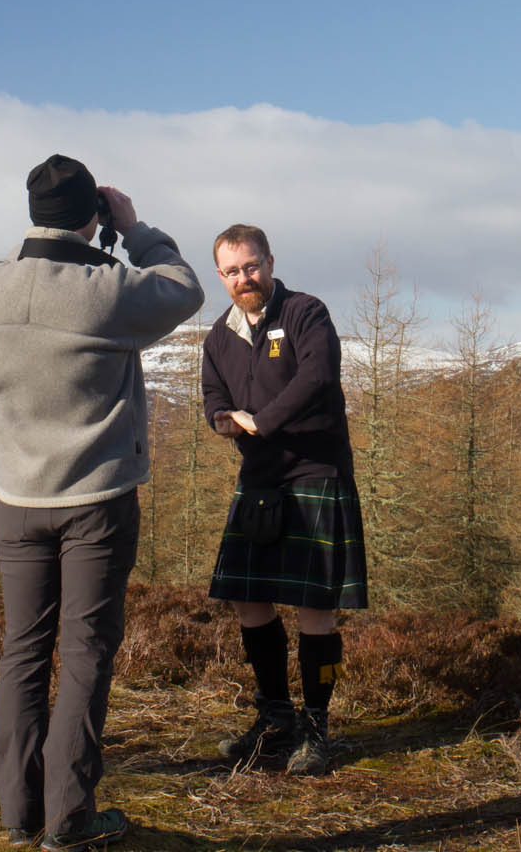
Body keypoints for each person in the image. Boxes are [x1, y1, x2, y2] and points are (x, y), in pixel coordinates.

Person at [0, 154, 203, 851]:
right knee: (86, 653)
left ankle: (17, 813)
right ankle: (69, 820)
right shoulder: (106, 290)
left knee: (22, 652)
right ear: (92, 216)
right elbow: (183, 287)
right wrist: (135, 229)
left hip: (15, 498)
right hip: (95, 498)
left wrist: (49, 234)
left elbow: (23, 260)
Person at [201, 224, 368, 776]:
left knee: (317, 612)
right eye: (232, 271)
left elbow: (318, 376)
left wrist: (262, 422)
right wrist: (221, 419)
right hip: (260, 481)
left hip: (316, 472)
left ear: (270, 262)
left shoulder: (304, 312)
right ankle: (275, 717)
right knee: (251, 603)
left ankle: (317, 727)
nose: (243, 278)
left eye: (251, 266)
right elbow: (213, 393)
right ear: (220, 276)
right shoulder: (218, 337)